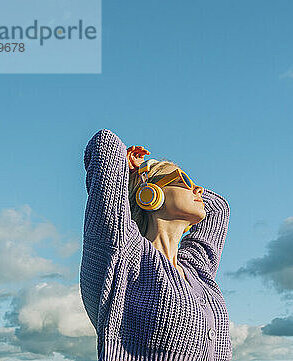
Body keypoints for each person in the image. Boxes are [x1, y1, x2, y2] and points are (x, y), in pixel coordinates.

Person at [80, 129, 232, 361]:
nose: (198, 189)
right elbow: (105, 145)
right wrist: (133, 171)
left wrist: (174, 184)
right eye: (184, 180)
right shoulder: (123, 254)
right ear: (151, 194)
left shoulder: (197, 269)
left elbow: (218, 208)